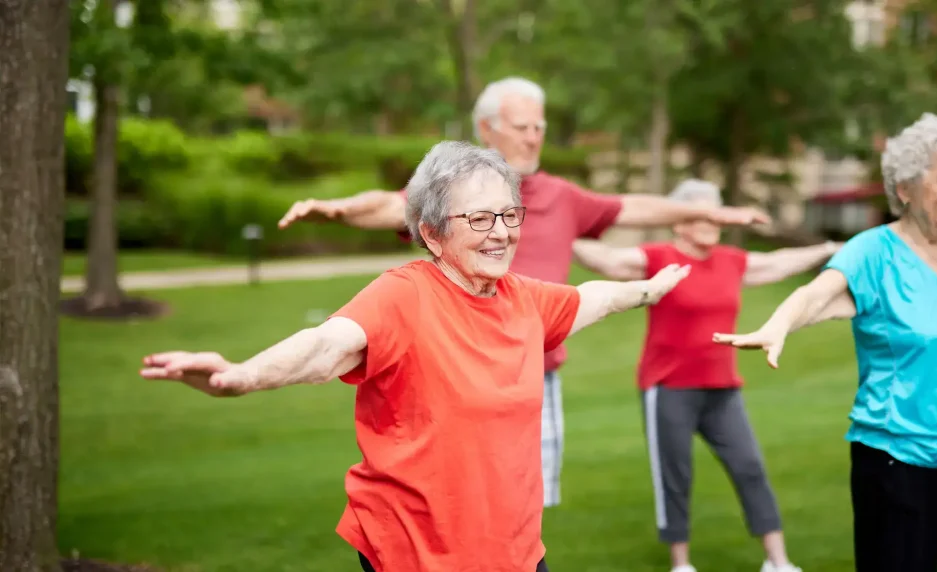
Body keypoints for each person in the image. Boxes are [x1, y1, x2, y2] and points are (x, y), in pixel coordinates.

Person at [139, 141, 691, 572]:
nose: (500, 233)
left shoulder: (523, 298)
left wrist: (647, 290)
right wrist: (240, 376)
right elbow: (328, 346)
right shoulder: (403, 296)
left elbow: (590, 298)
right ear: (430, 234)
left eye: (509, 215)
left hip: (514, 553)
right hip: (417, 553)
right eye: (478, 220)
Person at [276, 76, 771, 509]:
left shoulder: (564, 197)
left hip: (536, 375)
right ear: (487, 128)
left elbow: (637, 207)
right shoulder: (456, 194)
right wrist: (334, 209)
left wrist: (710, 214)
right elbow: (387, 205)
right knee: (455, 497)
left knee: (524, 501)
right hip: (456, 377)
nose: (534, 137)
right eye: (521, 126)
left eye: (539, 127)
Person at [713, 113, 937, 572]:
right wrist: (777, 325)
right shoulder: (872, 251)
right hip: (897, 462)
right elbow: (816, 295)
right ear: (905, 189)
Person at [571, 178, 838, 572]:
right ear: (680, 221)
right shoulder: (659, 256)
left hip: (722, 390)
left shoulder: (732, 260)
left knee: (750, 469)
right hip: (668, 389)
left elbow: (779, 262)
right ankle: (682, 565)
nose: (712, 220)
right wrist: (556, 230)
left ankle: (778, 561)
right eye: (701, 213)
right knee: (675, 478)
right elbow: (607, 260)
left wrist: (831, 249)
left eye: (716, 211)